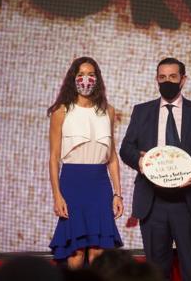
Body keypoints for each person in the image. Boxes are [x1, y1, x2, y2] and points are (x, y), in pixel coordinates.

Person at [120, 57, 191, 281]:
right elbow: (126, 149)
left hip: (189, 201)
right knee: (155, 273)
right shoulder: (142, 111)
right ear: (157, 80)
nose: (167, 81)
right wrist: (141, 163)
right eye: (162, 77)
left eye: (173, 77)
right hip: (152, 201)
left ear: (183, 80)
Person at [48, 57, 123, 268]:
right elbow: (54, 157)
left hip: (100, 184)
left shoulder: (107, 111)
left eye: (91, 75)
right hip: (72, 183)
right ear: (73, 79)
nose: (86, 80)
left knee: (99, 250)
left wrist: (117, 193)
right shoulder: (61, 111)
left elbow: (112, 157)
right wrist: (57, 195)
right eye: (80, 75)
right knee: (76, 249)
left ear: (97, 79)